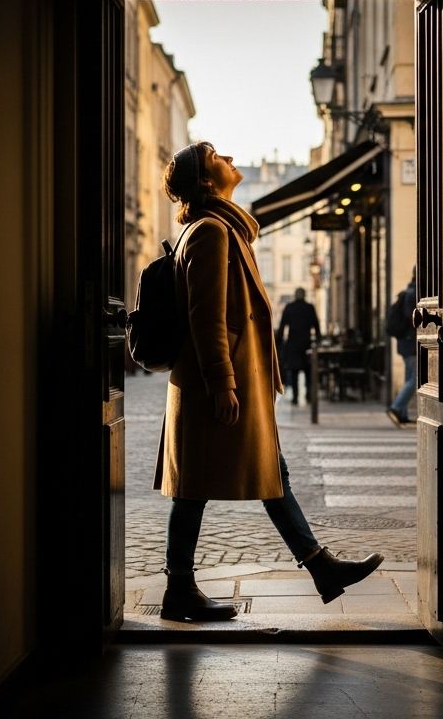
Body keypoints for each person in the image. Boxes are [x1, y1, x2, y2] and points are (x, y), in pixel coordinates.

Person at [154, 141, 384, 621]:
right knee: (195, 486)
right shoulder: (211, 232)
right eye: (217, 155)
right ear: (205, 181)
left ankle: (320, 568)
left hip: (234, 379)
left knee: (267, 473)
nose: (231, 158)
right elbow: (206, 317)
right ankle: (180, 589)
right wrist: (222, 383)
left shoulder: (222, 229)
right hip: (218, 382)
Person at [276, 287, 320, 405]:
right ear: (304, 295)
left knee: (294, 372)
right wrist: (318, 341)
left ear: (295, 295)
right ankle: (309, 396)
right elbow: (316, 325)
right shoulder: (309, 308)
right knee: (308, 371)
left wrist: (278, 342)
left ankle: (295, 397)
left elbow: (282, 326)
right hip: (306, 344)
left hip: (293, 344)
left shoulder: (289, 308)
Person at [386, 268, 417, 427]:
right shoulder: (414, 293)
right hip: (411, 342)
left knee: (409, 377)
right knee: (416, 378)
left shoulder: (408, 291)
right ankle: (397, 407)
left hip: (405, 342)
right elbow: (411, 317)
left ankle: (402, 414)